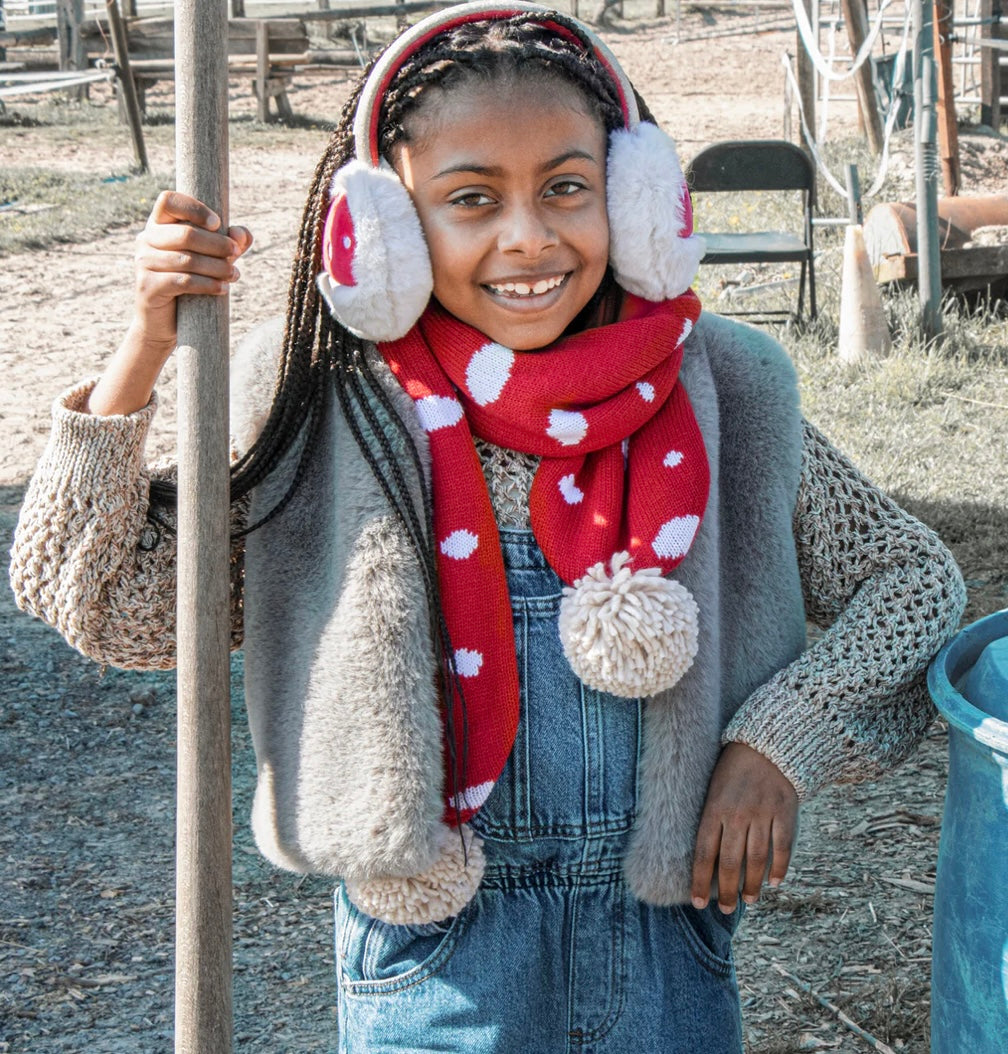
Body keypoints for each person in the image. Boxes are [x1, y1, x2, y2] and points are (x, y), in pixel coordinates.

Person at [10, 3, 966, 1051]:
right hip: (437, 959)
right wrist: (144, 347)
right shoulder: (329, 406)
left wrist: (775, 745)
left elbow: (915, 581)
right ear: (380, 230)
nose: (529, 237)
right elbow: (105, 600)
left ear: (637, 197)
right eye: (470, 199)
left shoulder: (727, 390)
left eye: (568, 186)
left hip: (663, 943)